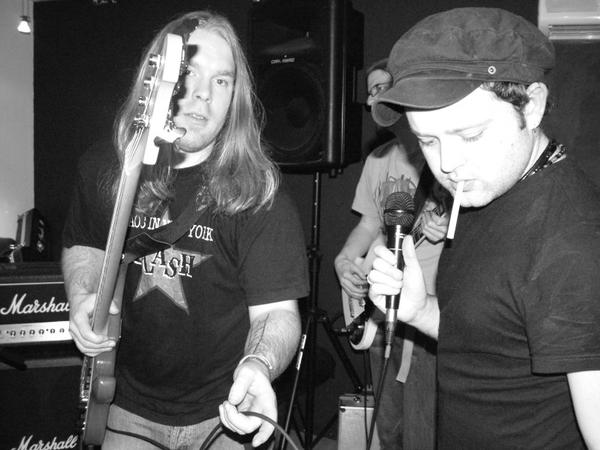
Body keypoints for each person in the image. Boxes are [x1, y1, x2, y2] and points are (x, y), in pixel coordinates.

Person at [62, 11, 309, 449]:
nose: (202, 95)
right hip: (124, 403)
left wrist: (258, 364)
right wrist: (83, 293)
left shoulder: (259, 192)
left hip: (224, 412)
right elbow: (85, 243)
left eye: (221, 80)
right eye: (189, 73)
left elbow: (276, 312)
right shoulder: (107, 168)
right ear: (156, 78)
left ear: (235, 97)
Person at [367, 7, 600, 449]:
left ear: (532, 106)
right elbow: (495, 344)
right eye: (427, 140)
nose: (447, 163)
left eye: (470, 135)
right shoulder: (485, 189)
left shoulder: (574, 245)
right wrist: (421, 311)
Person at [334, 60, 448, 449]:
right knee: (389, 429)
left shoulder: (444, 155)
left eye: (383, 86)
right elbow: (369, 225)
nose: (375, 97)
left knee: (423, 433)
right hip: (381, 310)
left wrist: (447, 226)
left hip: (427, 317)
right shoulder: (377, 159)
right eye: (371, 91)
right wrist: (344, 260)